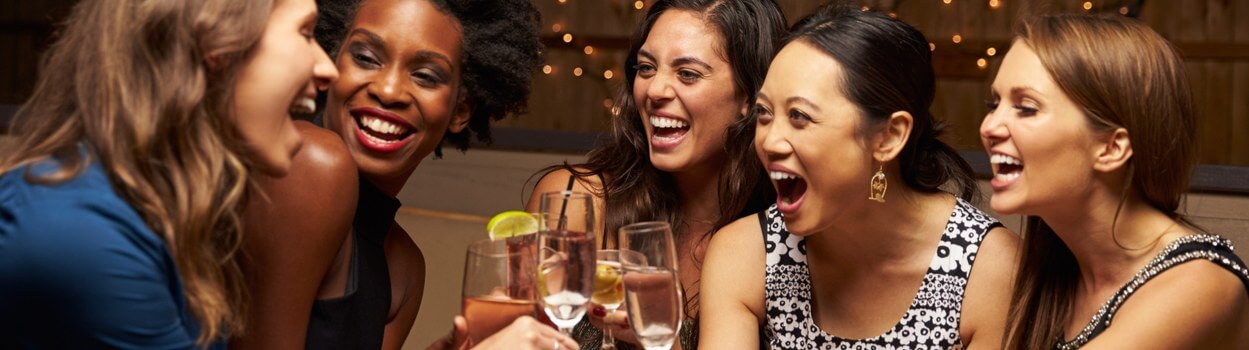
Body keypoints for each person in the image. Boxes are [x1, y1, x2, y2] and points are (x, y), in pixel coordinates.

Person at [0, 0, 338, 347]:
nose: (328, 68)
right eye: (305, 33)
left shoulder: (166, 209)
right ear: (215, 42)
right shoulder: (83, 232)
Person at [231, 0, 560, 348]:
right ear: (330, 61)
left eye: (425, 76)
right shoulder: (312, 162)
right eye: (365, 58)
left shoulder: (403, 265)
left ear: (460, 110)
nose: (388, 91)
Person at [699, 4, 1021, 349]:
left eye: (799, 116)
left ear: (889, 137)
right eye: (764, 113)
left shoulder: (988, 269)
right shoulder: (746, 253)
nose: (769, 141)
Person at [526, 0, 785, 348]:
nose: (654, 91)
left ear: (750, 95)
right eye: (646, 68)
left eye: (688, 74)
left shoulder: (781, 237)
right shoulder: (575, 202)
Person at [985, 14, 1249, 349]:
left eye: (1025, 108)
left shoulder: (1199, 283)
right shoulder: (1056, 272)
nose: (989, 126)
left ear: (1111, 148)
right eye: (993, 104)